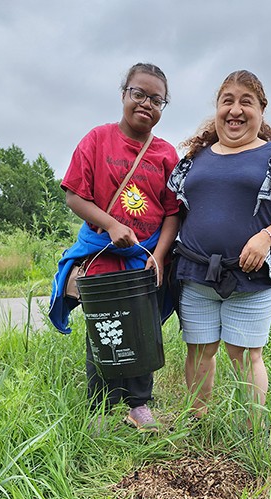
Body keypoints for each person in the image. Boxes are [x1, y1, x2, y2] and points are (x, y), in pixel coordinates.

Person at [167, 69, 271, 425]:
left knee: (244, 354)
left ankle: (253, 432)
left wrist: (265, 237)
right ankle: (199, 423)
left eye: (246, 101)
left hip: (252, 275)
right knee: (199, 351)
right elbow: (173, 211)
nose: (235, 109)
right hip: (196, 273)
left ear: (261, 111)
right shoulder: (194, 159)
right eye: (226, 101)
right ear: (216, 109)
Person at [49, 63, 180, 432]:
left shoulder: (166, 154)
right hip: (101, 255)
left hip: (145, 259)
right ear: (124, 94)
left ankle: (139, 404)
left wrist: (158, 256)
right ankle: (101, 406)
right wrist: (110, 224)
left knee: (143, 328)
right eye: (138, 94)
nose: (146, 104)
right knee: (103, 329)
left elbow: (172, 213)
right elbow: (75, 194)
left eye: (157, 99)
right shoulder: (97, 139)